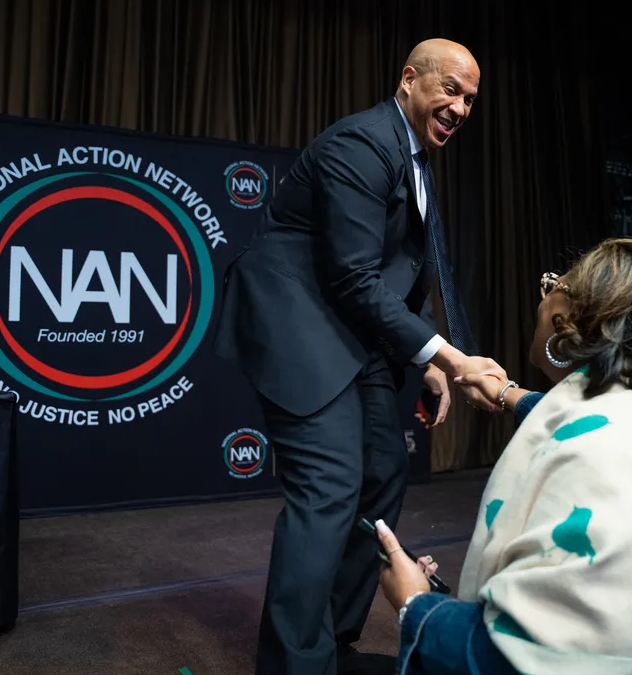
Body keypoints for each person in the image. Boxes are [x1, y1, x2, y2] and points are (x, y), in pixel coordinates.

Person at [212, 38, 506, 675]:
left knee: (380, 474)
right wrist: (452, 359)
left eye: (471, 99)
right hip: (298, 320)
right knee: (329, 487)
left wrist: (423, 361)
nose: (460, 107)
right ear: (409, 80)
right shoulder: (363, 144)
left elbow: (396, 271)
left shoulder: (415, 158)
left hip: (352, 330)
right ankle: (295, 666)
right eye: (450, 89)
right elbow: (351, 276)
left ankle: (334, 642)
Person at [375, 238, 632, 674]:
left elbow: (521, 660)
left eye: (552, 284)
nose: (543, 293)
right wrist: (507, 396)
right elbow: (582, 418)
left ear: (564, 319)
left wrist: (416, 606)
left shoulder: (593, 457)